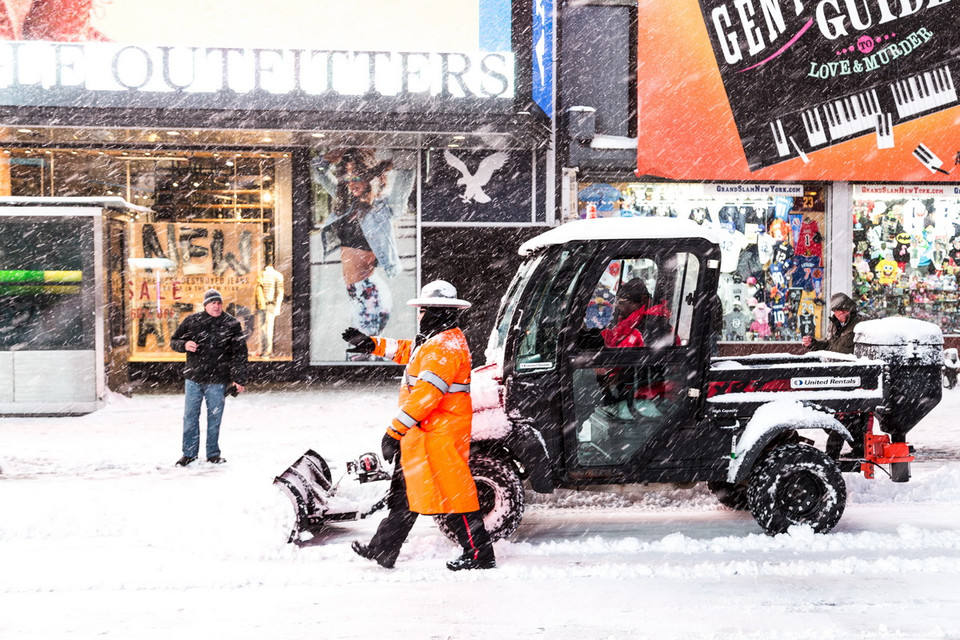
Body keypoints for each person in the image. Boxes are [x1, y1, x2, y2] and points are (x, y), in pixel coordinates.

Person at [342, 280, 495, 571]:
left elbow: (426, 396)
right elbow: (407, 351)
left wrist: (393, 432)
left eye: (423, 310)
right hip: (423, 435)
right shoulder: (435, 340)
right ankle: (383, 549)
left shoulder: (444, 348)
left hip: (438, 438)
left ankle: (479, 555)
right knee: (403, 494)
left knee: (454, 499)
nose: (420, 315)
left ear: (437, 312)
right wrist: (370, 343)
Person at [324, 149, 400, 344]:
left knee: (363, 354)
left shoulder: (383, 206)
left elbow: (406, 175)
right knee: (361, 353)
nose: (351, 184)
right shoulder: (346, 205)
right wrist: (327, 159)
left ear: (370, 178)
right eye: (348, 178)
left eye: (357, 177)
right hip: (354, 291)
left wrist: (398, 150)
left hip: (369, 291)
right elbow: (319, 172)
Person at [170, 288, 248, 466]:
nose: (216, 306)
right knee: (190, 417)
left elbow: (240, 353)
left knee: (214, 419)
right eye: (212, 302)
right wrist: (184, 344)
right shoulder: (192, 321)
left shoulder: (231, 324)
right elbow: (174, 341)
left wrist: (239, 379)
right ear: (205, 305)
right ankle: (189, 454)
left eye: (219, 302)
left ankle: (213, 454)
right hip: (194, 378)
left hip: (218, 380)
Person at [803, 292, 868, 457]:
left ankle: (831, 455)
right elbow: (830, 345)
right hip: (835, 376)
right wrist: (814, 344)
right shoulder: (834, 324)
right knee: (834, 416)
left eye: (839, 310)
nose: (836, 314)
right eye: (834, 311)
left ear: (848, 309)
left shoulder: (862, 323)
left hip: (853, 378)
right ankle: (860, 448)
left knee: (841, 418)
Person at [601, 278, 673, 349]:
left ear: (643, 300)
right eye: (616, 301)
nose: (617, 306)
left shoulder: (650, 327)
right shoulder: (630, 324)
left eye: (622, 301)